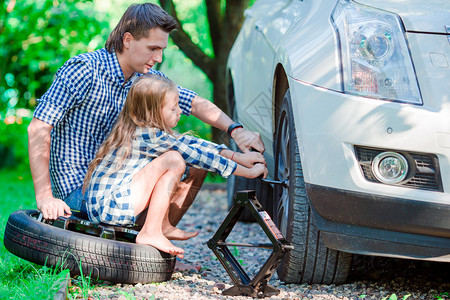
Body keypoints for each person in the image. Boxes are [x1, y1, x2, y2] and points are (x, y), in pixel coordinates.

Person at [27, 3, 265, 223]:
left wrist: (236, 131)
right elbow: (38, 127)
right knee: (175, 157)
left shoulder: (147, 80)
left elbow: (193, 102)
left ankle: (154, 246)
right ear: (128, 39)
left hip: (119, 184)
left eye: (162, 50)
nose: (158, 58)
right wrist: (46, 197)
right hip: (78, 193)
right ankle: (148, 239)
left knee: (196, 163)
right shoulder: (84, 71)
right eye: (153, 48)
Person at [83, 74, 267, 258]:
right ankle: (151, 231)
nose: (180, 111)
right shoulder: (148, 136)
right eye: (173, 108)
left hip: (110, 205)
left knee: (178, 154)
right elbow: (198, 156)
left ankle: (161, 225)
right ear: (151, 112)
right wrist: (248, 173)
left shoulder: (147, 131)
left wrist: (239, 157)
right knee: (174, 159)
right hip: (110, 208)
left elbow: (194, 144)